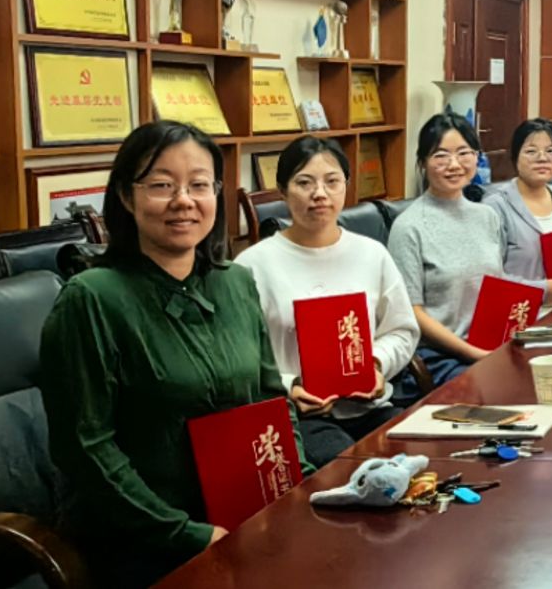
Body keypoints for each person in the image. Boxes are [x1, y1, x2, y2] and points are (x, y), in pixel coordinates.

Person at [39, 121, 308, 588]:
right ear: (127, 197)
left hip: (241, 515)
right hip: (142, 537)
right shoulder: (91, 299)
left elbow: (270, 398)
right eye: (162, 185)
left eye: (199, 185)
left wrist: (297, 486)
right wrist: (187, 534)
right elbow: (85, 448)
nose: (184, 200)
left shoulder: (235, 282)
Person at [236, 135, 421, 466]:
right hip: (299, 416)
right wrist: (288, 386)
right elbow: (240, 356)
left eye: (332, 181)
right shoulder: (252, 265)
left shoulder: (372, 254)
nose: (319, 193)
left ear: (346, 186)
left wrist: (376, 365)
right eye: (304, 182)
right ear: (283, 190)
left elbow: (402, 330)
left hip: (369, 406)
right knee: (352, 470)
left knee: (418, 459)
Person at [387, 113, 509, 391]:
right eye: (441, 156)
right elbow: (412, 313)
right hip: (440, 356)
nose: (454, 164)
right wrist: (474, 353)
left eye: (464, 153)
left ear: (477, 157)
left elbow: (497, 287)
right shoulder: (408, 227)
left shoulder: (487, 216)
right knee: (503, 388)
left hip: (489, 343)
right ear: (422, 163)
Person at [485, 118, 552, 295]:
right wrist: (543, 290)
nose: (542, 158)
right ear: (515, 157)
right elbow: (488, 277)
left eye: (551, 151)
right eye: (531, 151)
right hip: (519, 308)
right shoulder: (495, 207)